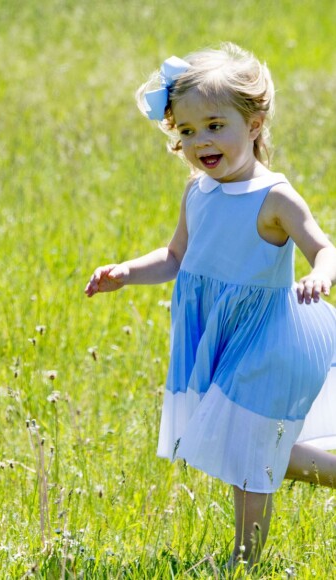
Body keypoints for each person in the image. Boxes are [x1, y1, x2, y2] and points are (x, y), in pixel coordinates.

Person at [84, 43, 336, 569]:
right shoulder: (198, 192)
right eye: (188, 131)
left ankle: (245, 560)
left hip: (265, 339)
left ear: (254, 122)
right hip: (220, 339)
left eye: (215, 126)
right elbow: (176, 256)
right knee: (256, 445)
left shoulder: (275, 198)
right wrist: (128, 272)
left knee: (247, 453)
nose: (201, 142)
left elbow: (322, 246)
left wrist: (322, 273)